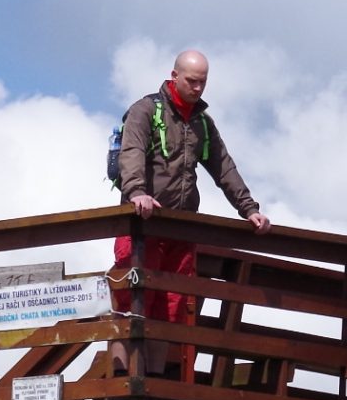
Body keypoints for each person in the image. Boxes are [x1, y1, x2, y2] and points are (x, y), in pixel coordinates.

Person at [113, 49, 270, 327]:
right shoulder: (145, 110)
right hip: (142, 224)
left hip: (181, 230)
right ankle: (125, 358)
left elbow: (224, 167)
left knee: (172, 311)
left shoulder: (202, 123)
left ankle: (159, 360)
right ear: (174, 76)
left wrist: (249, 209)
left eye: (203, 82)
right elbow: (132, 151)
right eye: (191, 81)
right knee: (130, 307)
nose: (198, 88)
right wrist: (137, 193)